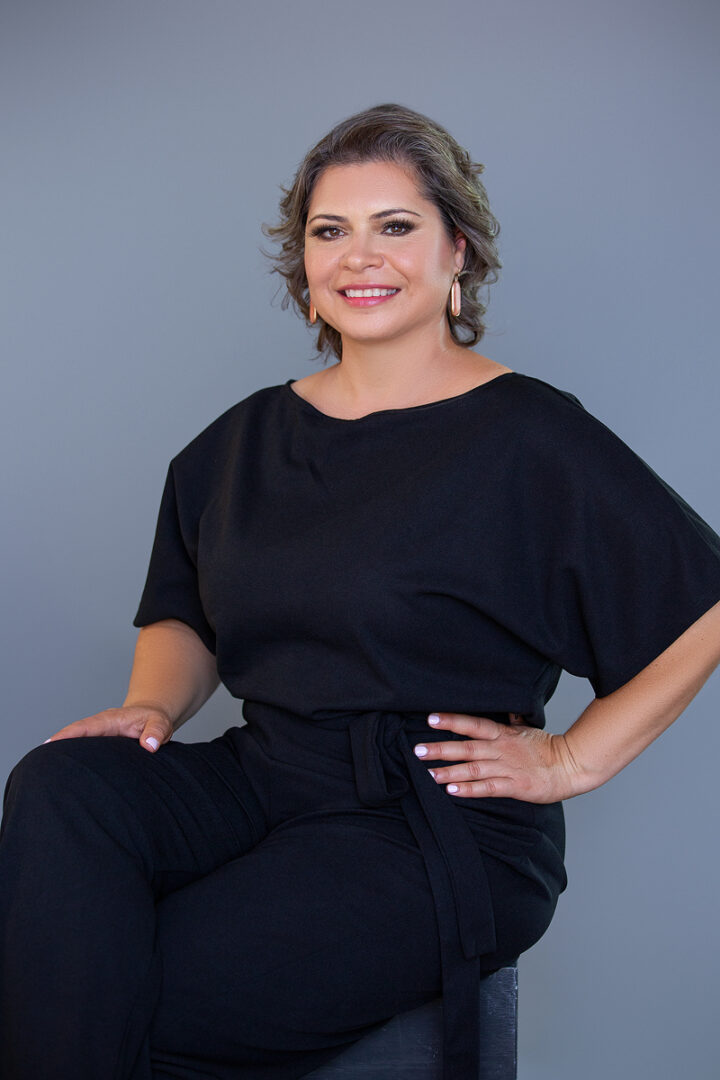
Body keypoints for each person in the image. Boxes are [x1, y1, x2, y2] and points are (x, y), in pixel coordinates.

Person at [2, 103, 720, 1080]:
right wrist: (148, 704)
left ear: (455, 252)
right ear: (303, 270)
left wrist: (569, 760)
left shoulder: (530, 438)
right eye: (329, 231)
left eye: (396, 226)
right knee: (60, 785)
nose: (358, 256)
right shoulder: (239, 443)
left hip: (431, 815)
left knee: (140, 980)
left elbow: (701, 604)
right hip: (266, 774)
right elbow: (187, 612)